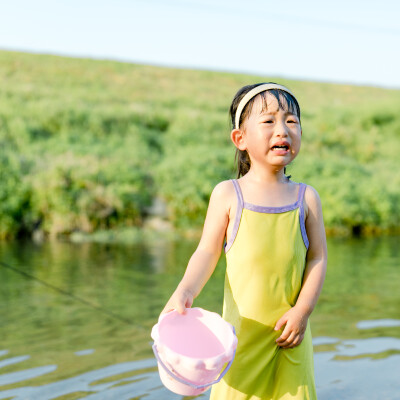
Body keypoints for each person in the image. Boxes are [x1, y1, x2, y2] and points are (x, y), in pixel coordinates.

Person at [162, 82, 328, 399]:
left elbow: (318, 258)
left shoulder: (306, 198)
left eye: (292, 121)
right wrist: (185, 290)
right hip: (240, 339)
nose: (283, 129)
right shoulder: (228, 194)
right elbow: (206, 252)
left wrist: (303, 311)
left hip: (290, 336)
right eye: (268, 121)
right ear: (240, 139)